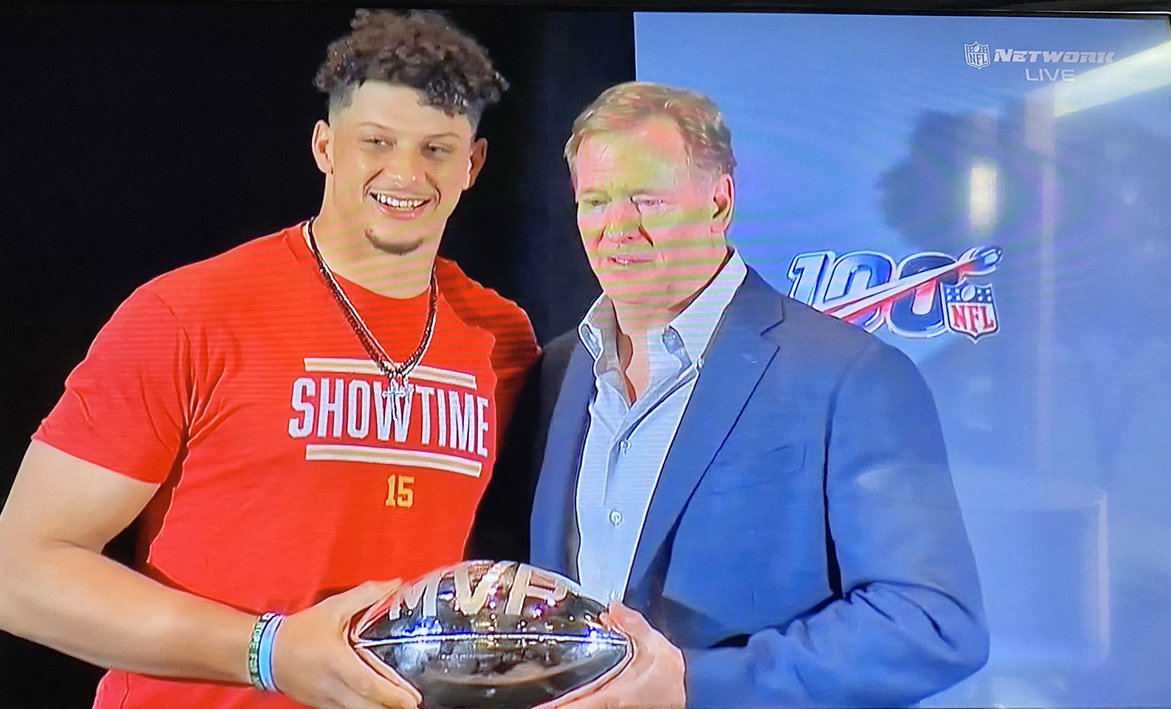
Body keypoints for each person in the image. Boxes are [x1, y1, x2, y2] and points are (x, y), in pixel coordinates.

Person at [0, 9, 538, 709]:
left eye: (436, 149)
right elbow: (20, 574)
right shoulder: (188, 314)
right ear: (326, 147)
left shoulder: (500, 338)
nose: (406, 173)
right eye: (377, 141)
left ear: (473, 164)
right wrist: (269, 652)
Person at [526, 82, 989, 708]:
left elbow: (931, 623)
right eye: (596, 201)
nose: (617, 228)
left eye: (647, 200)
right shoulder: (558, 370)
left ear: (720, 203)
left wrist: (692, 684)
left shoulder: (852, 376)